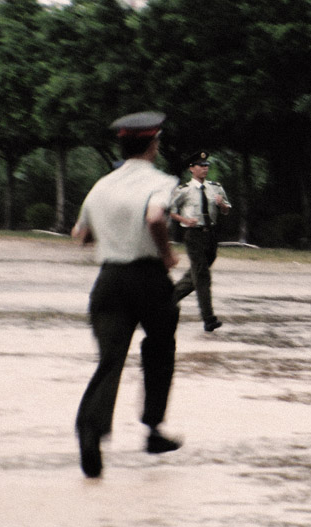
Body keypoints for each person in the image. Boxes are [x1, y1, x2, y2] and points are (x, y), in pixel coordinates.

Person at [71, 111, 183, 478]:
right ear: (154, 144)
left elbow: (80, 235)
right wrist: (166, 253)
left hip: (108, 280)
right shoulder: (163, 181)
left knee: (110, 359)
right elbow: (154, 218)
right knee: (160, 346)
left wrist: (112, 235)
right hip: (147, 277)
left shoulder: (101, 185)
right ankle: (152, 429)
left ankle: (91, 431)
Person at [169, 151, 231, 332]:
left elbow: (226, 210)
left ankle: (165, 302)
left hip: (211, 234)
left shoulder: (215, 188)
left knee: (195, 275)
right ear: (191, 169)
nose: (205, 168)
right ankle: (209, 318)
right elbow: (171, 210)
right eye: (201, 165)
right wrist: (184, 220)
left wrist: (222, 205)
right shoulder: (184, 190)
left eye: (206, 165)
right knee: (202, 275)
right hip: (193, 235)